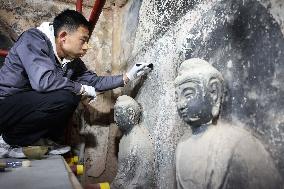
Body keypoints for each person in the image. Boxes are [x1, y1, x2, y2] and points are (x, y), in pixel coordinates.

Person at [0, 9, 150, 158]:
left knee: (69, 97)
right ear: (63, 36)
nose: (86, 47)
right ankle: (6, 142)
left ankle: (35, 141)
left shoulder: (71, 61)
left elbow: (94, 81)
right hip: (6, 107)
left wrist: (127, 76)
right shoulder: (33, 39)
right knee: (66, 96)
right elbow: (43, 81)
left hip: (27, 107)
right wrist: (81, 89)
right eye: (83, 40)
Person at [174, 58, 282, 189]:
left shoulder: (237, 142)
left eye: (188, 94)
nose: (180, 105)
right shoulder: (182, 146)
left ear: (213, 92)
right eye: (177, 97)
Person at [111, 95, 155, 188]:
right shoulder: (124, 138)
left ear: (131, 114)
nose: (115, 119)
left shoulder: (139, 141)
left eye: (117, 114)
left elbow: (144, 181)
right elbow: (122, 173)